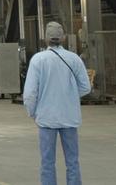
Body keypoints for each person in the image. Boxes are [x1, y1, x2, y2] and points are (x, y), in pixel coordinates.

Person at [23, 21, 92, 185]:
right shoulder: (74, 59)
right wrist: (70, 97)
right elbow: (85, 87)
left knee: (47, 163)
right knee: (73, 162)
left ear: (45, 39)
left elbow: (30, 93)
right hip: (70, 117)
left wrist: (33, 112)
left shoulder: (38, 60)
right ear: (63, 38)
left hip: (47, 119)